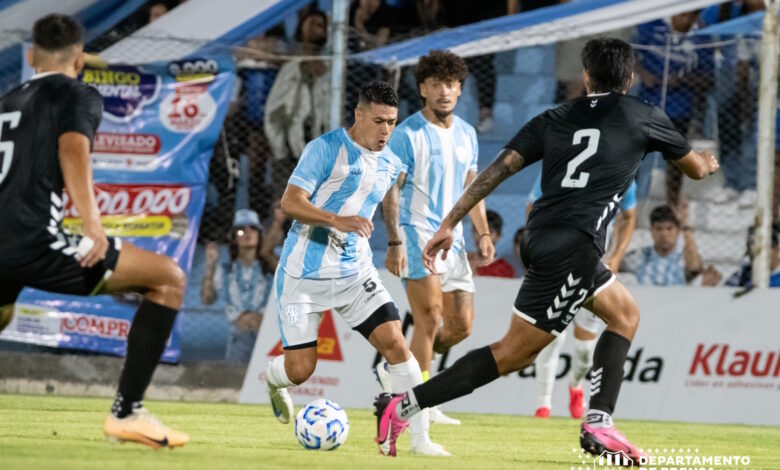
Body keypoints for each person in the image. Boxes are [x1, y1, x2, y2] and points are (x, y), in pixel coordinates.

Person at [373, 37, 719, 462]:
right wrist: (705, 159)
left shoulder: (554, 116)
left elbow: (498, 169)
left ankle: (598, 421)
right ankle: (402, 404)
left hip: (540, 239)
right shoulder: (645, 115)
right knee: (513, 353)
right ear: (629, 78)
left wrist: (451, 222)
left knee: (624, 314)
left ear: (586, 77)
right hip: (574, 246)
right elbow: (697, 171)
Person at [0, 15, 188, 448]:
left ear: (31, 57)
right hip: (32, 239)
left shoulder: (7, 99)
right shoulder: (78, 92)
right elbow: (73, 148)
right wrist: (92, 225)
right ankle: (128, 413)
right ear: (80, 60)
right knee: (168, 279)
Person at [264, 81, 449, 457]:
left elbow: (390, 194)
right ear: (359, 114)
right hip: (304, 276)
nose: (386, 131)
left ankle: (421, 440)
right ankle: (273, 378)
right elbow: (290, 202)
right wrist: (336, 219)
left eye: (392, 122)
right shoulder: (326, 149)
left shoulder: (391, 157)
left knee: (397, 344)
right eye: (379, 121)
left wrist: (395, 241)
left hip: (354, 273)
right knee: (301, 370)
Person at [381, 50, 494, 426]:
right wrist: (395, 241)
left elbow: (471, 190)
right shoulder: (406, 134)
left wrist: (482, 231)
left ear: (460, 89)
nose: (444, 91)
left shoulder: (467, 134)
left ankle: (400, 370)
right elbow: (391, 190)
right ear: (423, 89)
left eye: (451, 84)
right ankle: (421, 406)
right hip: (416, 237)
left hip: (455, 243)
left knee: (460, 326)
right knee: (428, 318)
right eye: (436, 84)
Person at [526, 176, 637, 419]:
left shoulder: (622, 171)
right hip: (556, 262)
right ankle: (542, 405)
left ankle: (575, 386)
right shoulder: (560, 163)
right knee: (549, 337)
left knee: (586, 351)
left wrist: (616, 255)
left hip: (593, 267)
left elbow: (629, 216)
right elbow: (532, 206)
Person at [264, 8, 329, 199]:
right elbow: (275, 110)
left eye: (321, 25)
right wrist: (280, 150)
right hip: (289, 153)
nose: (316, 28)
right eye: (311, 24)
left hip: (320, 153)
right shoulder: (290, 69)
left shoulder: (332, 71)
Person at [201, 209, 275, 363]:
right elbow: (207, 299)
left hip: (269, 337)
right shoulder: (226, 271)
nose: (247, 232)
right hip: (239, 338)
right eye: (241, 230)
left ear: (259, 235)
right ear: (234, 238)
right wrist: (210, 266)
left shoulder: (270, 267)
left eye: (253, 228)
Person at [622, 204, 703, 286]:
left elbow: (694, 268)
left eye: (669, 228)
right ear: (651, 231)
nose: (664, 234)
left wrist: (685, 226)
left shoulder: (684, 257)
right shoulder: (642, 255)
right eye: (658, 228)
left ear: (678, 231)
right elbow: (615, 264)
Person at [725, 222, 780, 288]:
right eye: (752, 252)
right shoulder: (744, 274)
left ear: (777, 249)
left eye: (762, 251)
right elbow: (728, 292)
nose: (758, 257)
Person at [468, 210, 515, 278]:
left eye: (489, 232)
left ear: (499, 235)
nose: (480, 236)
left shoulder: (505, 269)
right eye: (476, 230)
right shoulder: (463, 260)